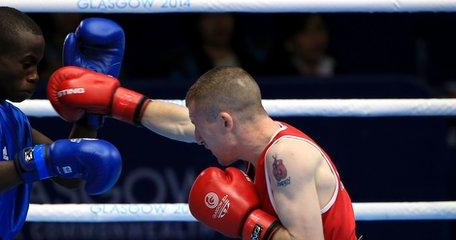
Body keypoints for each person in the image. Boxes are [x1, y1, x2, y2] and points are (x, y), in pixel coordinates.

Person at [47, 66, 357, 239]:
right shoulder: (258, 147)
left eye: (200, 125)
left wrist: (250, 221)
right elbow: (183, 124)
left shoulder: (285, 158)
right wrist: (118, 102)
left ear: (225, 122)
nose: (196, 135)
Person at [0, 7, 125, 239]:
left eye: (37, 64)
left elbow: (69, 174)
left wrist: (90, 113)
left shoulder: (14, 118)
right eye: (27, 64)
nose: (35, 75)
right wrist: (34, 162)